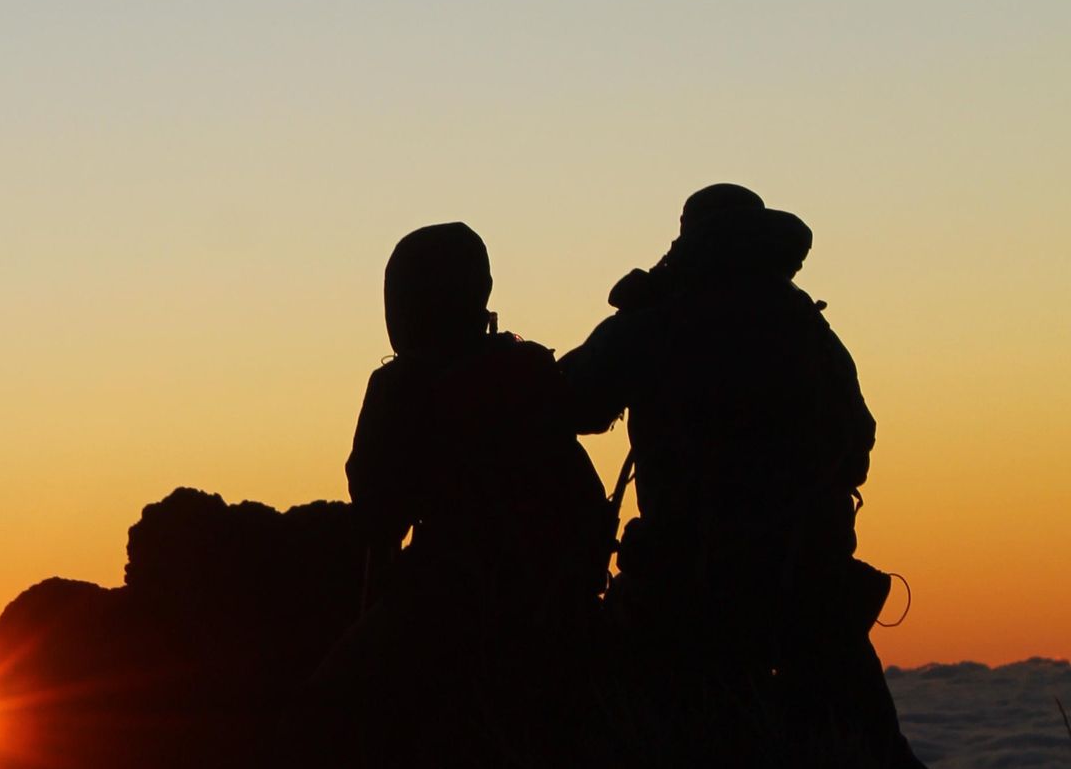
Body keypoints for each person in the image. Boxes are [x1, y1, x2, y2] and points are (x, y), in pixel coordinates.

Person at [555, 184, 880, 671]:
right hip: (810, 591)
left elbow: (571, 404)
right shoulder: (804, 325)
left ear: (689, 239)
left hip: (689, 596)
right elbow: (858, 443)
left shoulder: (660, 322)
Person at [345, 223, 614, 637]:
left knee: (325, 698)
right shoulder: (530, 368)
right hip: (559, 592)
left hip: (454, 602)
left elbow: (378, 516)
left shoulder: (400, 386)